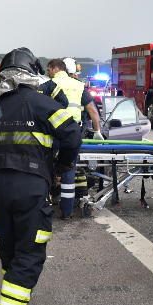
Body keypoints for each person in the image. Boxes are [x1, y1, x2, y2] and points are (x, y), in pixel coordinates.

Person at [0, 47, 82, 305]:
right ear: (33, 72)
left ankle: (14, 284)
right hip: (29, 184)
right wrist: (62, 166)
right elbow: (71, 134)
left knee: (7, 239)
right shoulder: (41, 103)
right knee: (31, 244)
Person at [47, 58, 103, 219]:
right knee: (68, 170)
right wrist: (97, 130)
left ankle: (45, 206)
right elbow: (92, 110)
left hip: (52, 132)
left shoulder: (49, 84)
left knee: (46, 166)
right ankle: (67, 211)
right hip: (72, 133)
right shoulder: (79, 86)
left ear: (55, 69)